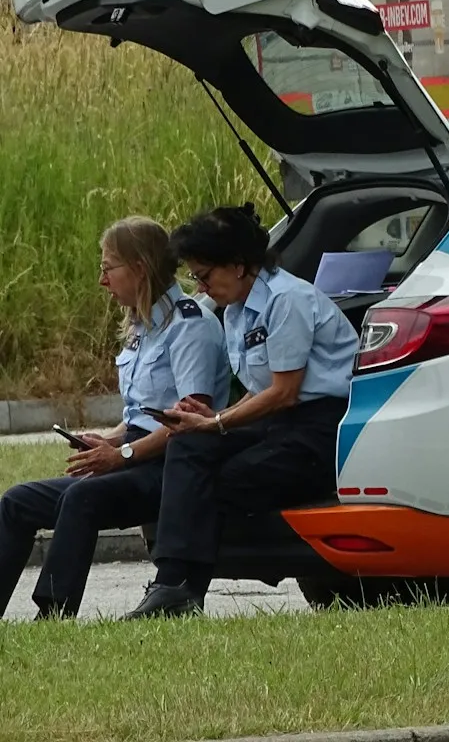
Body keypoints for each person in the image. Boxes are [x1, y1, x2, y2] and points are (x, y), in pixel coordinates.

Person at [126, 204, 357, 619]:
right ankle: (171, 584)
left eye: (205, 275)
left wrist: (216, 422)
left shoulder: (287, 300)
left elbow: (284, 392)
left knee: (226, 478)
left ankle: (184, 588)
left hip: (319, 428)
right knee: (187, 444)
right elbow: (257, 393)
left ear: (237, 266)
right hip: (277, 421)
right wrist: (203, 421)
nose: (200, 286)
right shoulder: (235, 309)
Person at [0, 218, 228, 619]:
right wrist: (109, 439)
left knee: (81, 497)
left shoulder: (189, 326)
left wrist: (121, 454)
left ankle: (53, 614)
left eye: (108, 268)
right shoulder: (142, 326)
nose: (103, 281)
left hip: (170, 465)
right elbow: (140, 414)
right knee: (16, 502)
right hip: (135, 452)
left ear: (140, 267)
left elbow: (186, 424)